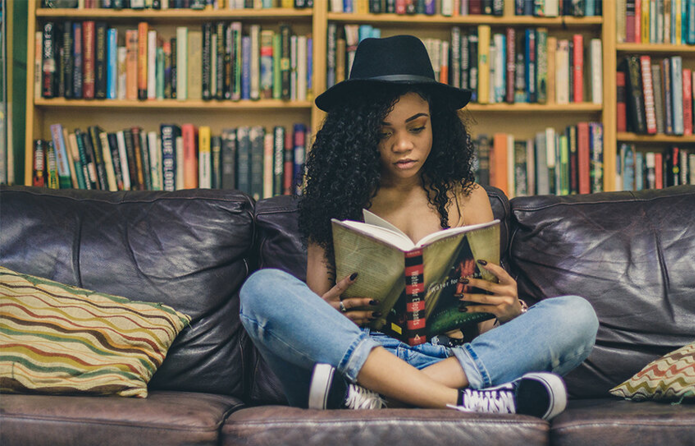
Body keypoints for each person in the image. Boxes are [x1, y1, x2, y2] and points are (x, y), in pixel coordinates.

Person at [239, 35, 598, 419]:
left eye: (417, 127)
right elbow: (314, 325)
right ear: (359, 136)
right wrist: (328, 313)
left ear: (436, 126)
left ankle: (389, 396)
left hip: (452, 360)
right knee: (261, 290)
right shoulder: (332, 200)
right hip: (360, 358)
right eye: (383, 132)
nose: (402, 145)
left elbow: (485, 331)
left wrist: (511, 311)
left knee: (577, 316)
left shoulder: (469, 197)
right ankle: (462, 402)